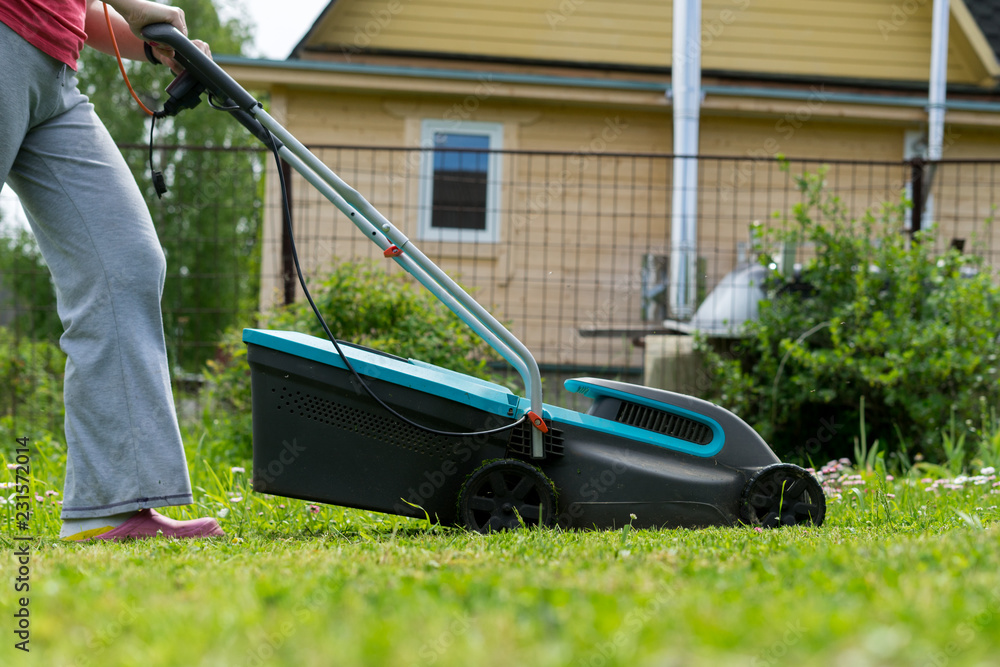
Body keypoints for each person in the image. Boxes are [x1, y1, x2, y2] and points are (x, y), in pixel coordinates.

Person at [0, 0, 224, 541]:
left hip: (55, 75)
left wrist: (154, 43)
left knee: (124, 262)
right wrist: (139, 5)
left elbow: (71, 12)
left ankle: (113, 504)